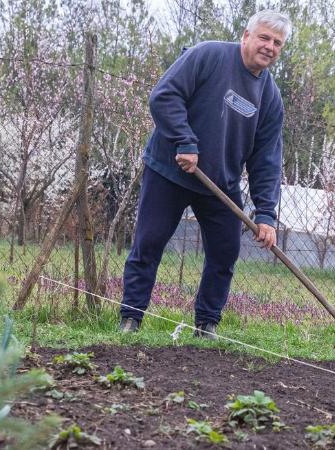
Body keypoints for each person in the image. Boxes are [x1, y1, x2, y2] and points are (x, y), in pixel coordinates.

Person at [119, 10, 290, 338]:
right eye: (264, 38)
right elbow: (164, 96)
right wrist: (185, 140)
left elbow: (266, 159)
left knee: (225, 253)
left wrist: (266, 214)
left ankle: (207, 325)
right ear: (246, 36)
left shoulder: (270, 97)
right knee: (149, 243)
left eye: (277, 43)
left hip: (219, 184)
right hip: (170, 170)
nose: (269, 46)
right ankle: (131, 318)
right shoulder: (209, 55)